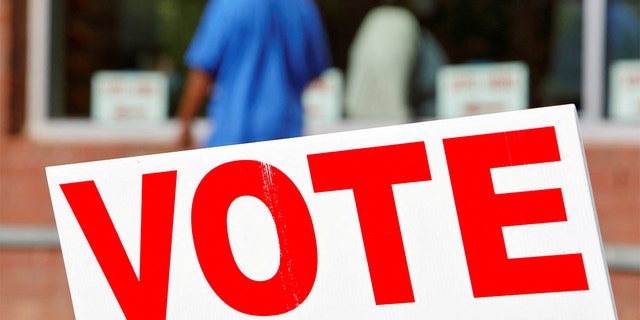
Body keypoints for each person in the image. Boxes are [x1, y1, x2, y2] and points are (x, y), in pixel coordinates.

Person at [177, 0, 331, 148]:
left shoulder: (227, 4)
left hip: (231, 139)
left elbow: (202, 71)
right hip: (285, 138)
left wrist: (185, 128)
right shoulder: (303, 7)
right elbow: (315, 72)